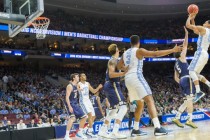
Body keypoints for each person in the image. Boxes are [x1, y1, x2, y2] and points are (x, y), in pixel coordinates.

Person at [117, 35, 182, 136]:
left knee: (140, 103)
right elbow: (155, 54)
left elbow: (119, 66)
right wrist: (172, 50)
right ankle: (157, 127)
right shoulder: (139, 50)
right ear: (138, 42)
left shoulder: (125, 53)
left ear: (130, 43)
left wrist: (126, 68)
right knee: (150, 100)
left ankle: (135, 129)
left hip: (127, 79)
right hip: (136, 76)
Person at [98, 44, 128, 139]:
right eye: (118, 49)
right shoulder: (112, 60)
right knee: (123, 107)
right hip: (112, 85)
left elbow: (117, 75)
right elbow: (111, 74)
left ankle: (102, 131)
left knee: (114, 110)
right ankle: (115, 132)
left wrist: (125, 73)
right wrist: (124, 73)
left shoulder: (116, 61)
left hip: (112, 85)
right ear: (117, 50)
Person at [172, 27, 198, 128]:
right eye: (181, 49)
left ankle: (177, 117)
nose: (182, 49)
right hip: (187, 79)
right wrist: (186, 34)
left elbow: (175, 78)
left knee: (187, 100)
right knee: (190, 100)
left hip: (182, 81)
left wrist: (182, 82)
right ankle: (189, 119)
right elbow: (186, 45)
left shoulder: (175, 64)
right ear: (180, 53)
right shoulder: (182, 58)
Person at [186, 13, 210, 102]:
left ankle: (198, 91)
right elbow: (195, 30)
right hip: (205, 54)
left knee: (191, 71)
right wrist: (193, 20)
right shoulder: (207, 32)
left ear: (209, 25)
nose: (204, 23)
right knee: (196, 74)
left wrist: (190, 17)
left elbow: (188, 26)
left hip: (200, 52)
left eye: (205, 22)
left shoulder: (204, 29)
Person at [64, 73, 87, 140]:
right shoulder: (69, 86)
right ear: (73, 78)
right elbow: (67, 97)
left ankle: (80, 132)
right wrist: (69, 106)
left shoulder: (76, 85)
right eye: (77, 76)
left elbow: (77, 89)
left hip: (75, 104)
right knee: (72, 118)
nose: (78, 77)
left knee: (84, 117)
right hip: (70, 103)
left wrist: (81, 89)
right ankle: (67, 136)